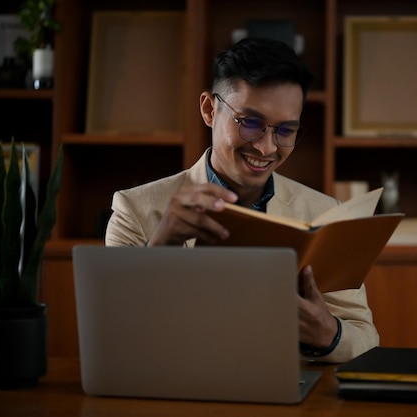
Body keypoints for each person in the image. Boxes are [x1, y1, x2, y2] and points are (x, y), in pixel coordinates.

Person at [105, 37, 379, 363]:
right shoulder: (134, 210)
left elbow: (366, 340)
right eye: (250, 123)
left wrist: (327, 335)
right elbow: (114, 338)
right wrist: (161, 245)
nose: (266, 148)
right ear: (209, 109)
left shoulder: (326, 213)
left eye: (286, 131)